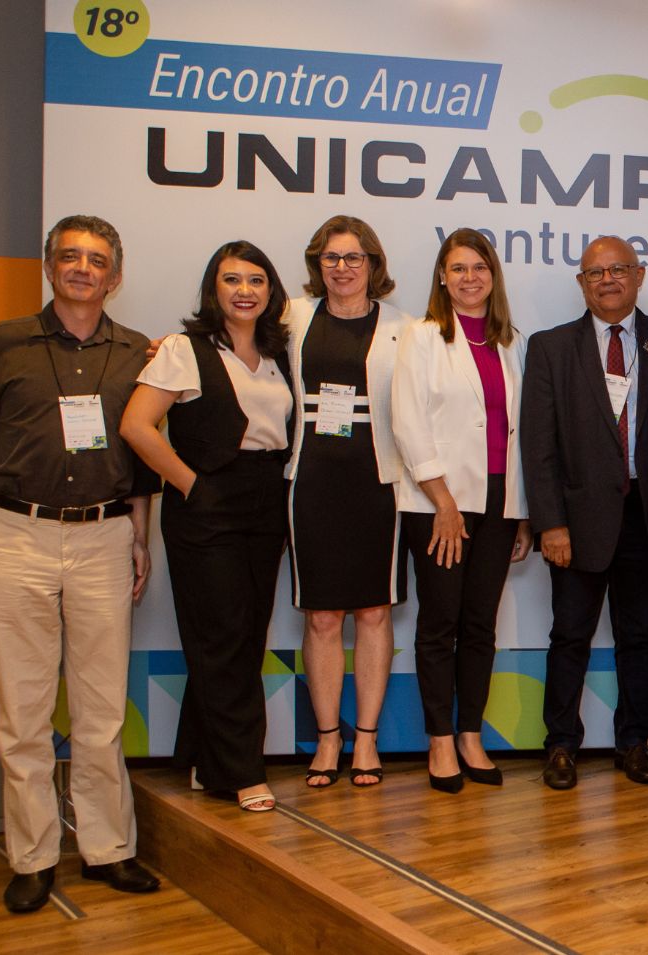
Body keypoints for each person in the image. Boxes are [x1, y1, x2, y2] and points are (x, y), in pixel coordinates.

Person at [0, 214, 162, 912]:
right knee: (24, 710)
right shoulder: (2, 344)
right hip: (15, 534)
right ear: (50, 266)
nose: (82, 268)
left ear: (114, 275)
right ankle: (32, 857)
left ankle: (107, 848)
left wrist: (139, 535)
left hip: (104, 538)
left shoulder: (137, 353)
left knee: (99, 710)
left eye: (96, 259)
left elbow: (143, 460)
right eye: (70, 256)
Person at [119, 241, 295, 814]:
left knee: (244, 635)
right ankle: (242, 771)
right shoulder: (182, 349)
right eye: (232, 280)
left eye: (256, 280)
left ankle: (202, 756)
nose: (245, 290)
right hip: (207, 501)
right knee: (220, 634)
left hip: (267, 496)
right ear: (212, 289)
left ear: (271, 291)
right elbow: (138, 427)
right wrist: (192, 485)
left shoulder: (278, 351)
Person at [520, 236, 648, 790]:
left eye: (618, 270)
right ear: (581, 283)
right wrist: (550, 524)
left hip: (646, 517)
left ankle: (634, 742)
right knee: (570, 637)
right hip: (576, 521)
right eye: (595, 273)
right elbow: (537, 446)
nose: (607, 280)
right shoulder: (550, 348)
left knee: (638, 639)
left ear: (638, 276)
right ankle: (561, 745)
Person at [393, 228, 533, 794]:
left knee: (480, 625)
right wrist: (444, 503)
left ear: (493, 276)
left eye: (479, 267)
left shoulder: (510, 341)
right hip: (439, 505)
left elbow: (516, 432)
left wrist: (522, 513)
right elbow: (407, 423)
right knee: (440, 623)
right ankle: (440, 741)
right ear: (442, 278)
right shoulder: (422, 337)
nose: (469, 277)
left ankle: (471, 733)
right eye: (457, 268)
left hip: (500, 502)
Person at [284, 215, 412, 789]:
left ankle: (366, 739)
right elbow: (228, 338)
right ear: (318, 264)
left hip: (378, 481)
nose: (342, 268)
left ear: (373, 265)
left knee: (374, 612)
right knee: (323, 615)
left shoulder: (403, 328)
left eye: (353, 258)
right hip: (309, 480)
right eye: (332, 258)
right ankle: (327, 738)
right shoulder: (289, 317)